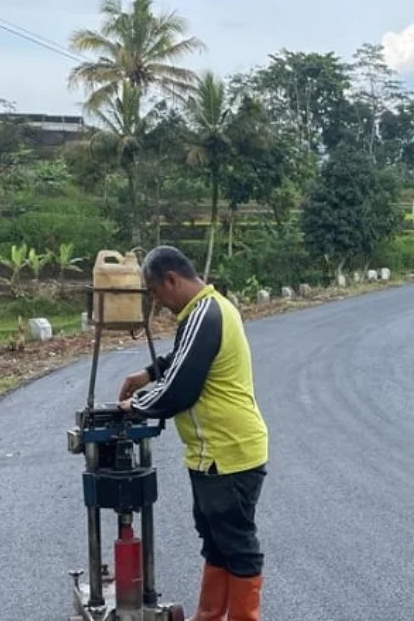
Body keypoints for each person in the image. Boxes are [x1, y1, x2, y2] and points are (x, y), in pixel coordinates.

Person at [117, 246, 269, 621]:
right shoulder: (205, 310)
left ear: (171, 280)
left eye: (154, 292)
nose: (157, 301)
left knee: (237, 544)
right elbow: (183, 357)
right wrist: (149, 373)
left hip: (229, 452)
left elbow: (182, 388)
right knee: (216, 541)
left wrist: (134, 406)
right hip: (212, 453)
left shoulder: (206, 312)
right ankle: (209, 616)